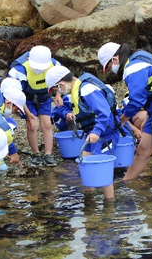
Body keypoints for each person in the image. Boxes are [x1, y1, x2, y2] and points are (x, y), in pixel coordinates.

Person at [98, 42, 152, 185]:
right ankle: (125, 182)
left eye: (109, 67)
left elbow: (136, 101)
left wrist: (122, 120)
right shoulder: (138, 58)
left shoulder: (134, 67)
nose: (111, 70)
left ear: (115, 59)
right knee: (142, 151)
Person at [45, 65, 120, 200]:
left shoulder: (86, 89)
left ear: (61, 84)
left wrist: (97, 132)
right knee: (85, 165)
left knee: (102, 170)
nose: (59, 93)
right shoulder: (77, 89)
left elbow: (104, 112)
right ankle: (89, 201)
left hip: (104, 133)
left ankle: (110, 206)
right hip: (92, 132)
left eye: (57, 90)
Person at [8, 45, 61, 167]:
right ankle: (35, 153)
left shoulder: (55, 64)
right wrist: (27, 113)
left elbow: (59, 80)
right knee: (32, 124)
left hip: (44, 96)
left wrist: (58, 94)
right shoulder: (19, 70)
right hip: (26, 99)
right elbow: (17, 94)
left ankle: (48, 154)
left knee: (47, 124)